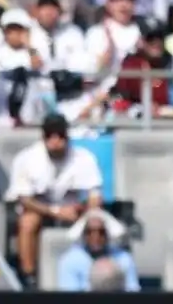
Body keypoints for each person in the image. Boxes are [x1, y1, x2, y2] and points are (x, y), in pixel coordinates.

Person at [8, 112, 103, 282]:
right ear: (43, 137)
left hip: (72, 210)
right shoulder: (27, 158)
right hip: (40, 209)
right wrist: (55, 212)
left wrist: (87, 211)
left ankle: (94, 271)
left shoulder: (83, 158)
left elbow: (94, 194)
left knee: (95, 220)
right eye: (50, 135)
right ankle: (29, 276)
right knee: (28, 222)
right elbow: (24, 198)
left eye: (60, 135)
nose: (55, 141)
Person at [56, 209, 140, 291]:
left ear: (108, 233)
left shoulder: (124, 258)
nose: (96, 237)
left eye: (101, 232)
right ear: (83, 234)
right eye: (89, 232)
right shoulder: (70, 260)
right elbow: (69, 299)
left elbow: (132, 291)